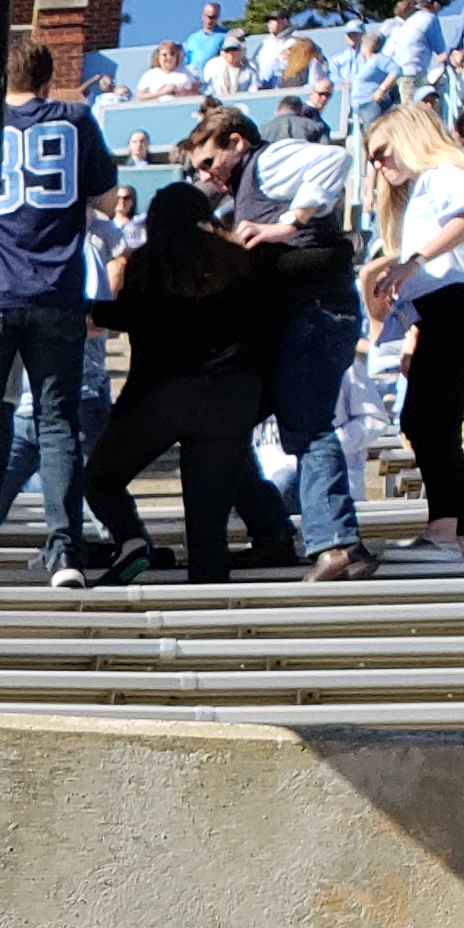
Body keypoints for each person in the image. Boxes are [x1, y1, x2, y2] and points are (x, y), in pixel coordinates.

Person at [82, 184, 330, 584]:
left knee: (100, 479)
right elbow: (298, 282)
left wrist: (87, 308)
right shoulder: (241, 261)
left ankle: (132, 541)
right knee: (207, 527)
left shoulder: (148, 264)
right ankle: (208, 619)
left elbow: (123, 314)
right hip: (233, 396)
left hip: (161, 395)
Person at [182, 103, 373, 582]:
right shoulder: (241, 190)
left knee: (307, 425)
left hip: (316, 315)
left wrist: (288, 222)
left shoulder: (267, 161)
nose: (206, 175)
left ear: (236, 143)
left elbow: (334, 161)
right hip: (293, 323)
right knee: (223, 424)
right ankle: (271, 532)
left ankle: (337, 542)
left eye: (209, 163)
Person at [0, 42, 111, 587]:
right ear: (49, 77)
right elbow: (106, 199)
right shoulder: (76, 117)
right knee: (59, 423)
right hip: (57, 288)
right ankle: (65, 552)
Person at [362, 98, 464, 561]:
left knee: (428, 419)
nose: (379, 163)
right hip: (445, 308)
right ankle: (447, 529)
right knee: (429, 419)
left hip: (460, 302)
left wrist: (412, 263)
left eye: (383, 151)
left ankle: (446, 531)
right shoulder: (425, 187)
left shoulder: (447, 174)